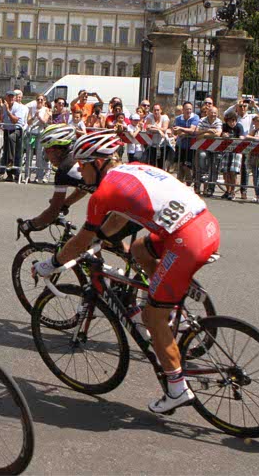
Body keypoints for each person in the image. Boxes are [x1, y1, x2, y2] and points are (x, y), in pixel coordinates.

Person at [33, 131, 220, 413]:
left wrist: (51, 264)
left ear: (97, 163)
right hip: (203, 224)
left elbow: (81, 240)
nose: (80, 173)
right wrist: (98, 240)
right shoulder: (133, 169)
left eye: (83, 166)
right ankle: (174, 294)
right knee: (139, 250)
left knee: (150, 316)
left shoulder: (103, 192)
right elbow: (120, 217)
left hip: (186, 242)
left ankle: (176, 388)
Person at [19, 124, 92, 232]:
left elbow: (53, 212)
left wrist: (29, 225)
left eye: (47, 151)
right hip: (118, 197)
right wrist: (65, 204)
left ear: (58, 150)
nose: (46, 157)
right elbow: (83, 189)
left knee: (80, 242)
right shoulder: (76, 157)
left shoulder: (63, 170)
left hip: (116, 202)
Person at [0, 90, 27, 182]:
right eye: (9, 96)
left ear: (14, 98)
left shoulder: (19, 107)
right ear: (6, 98)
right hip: (7, 130)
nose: (10, 98)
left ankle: (17, 173)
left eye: (12, 97)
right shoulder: (3, 106)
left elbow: (15, 121)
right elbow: (0, 120)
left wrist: (8, 111)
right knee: (6, 152)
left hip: (17, 130)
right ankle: (7, 174)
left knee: (17, 153)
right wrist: (1, 109)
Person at [172, 101, 201, 185]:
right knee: (180, 166)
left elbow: (192, 130)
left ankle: (189, 183)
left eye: (190, 109)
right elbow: (176, 132)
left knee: (187, 166)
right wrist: (182, 132)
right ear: (183, 110)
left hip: (191, 146)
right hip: (180, 146)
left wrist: (182, 130)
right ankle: (179, 185)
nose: (189, 111)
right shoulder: (178, 119)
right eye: (187, 109)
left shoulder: (195, 117)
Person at [219, 111, 244, 200]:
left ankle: (232, 191)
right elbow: (219, 134)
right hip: (226, 151)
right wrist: (222, 134)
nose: (232, 123)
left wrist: (240, 138)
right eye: (230, 121)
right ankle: (228, 190)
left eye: (233, 120)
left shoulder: (239, 126)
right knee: (225, 171)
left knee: (233, 171)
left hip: (236, 152)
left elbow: (242, 137)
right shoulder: (224, 126)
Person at [28, 94, 53, 184]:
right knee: (29, 155)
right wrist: (34, 116)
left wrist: (39, 117)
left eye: (41, 100)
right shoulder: (31, 109)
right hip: (32, 132)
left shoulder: (46, 110)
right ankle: (27, 175)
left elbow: (45, 122)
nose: (40, 101)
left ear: (44, 101)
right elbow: (29, 121)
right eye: (38, 99)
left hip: (41, 133)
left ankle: (39, 176)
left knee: (39, 155)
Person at [144, 104, 170, 169]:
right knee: (151, 164)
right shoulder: (150, 116)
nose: (156, 112)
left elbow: (164, 129)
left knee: (161, 164)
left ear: (161, 110)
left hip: (163, 144)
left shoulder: (165, 117)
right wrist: (158, 130)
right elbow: (147, 127)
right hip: (152, 144)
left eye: (158, 110)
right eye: (154, 110)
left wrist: (153, 127)